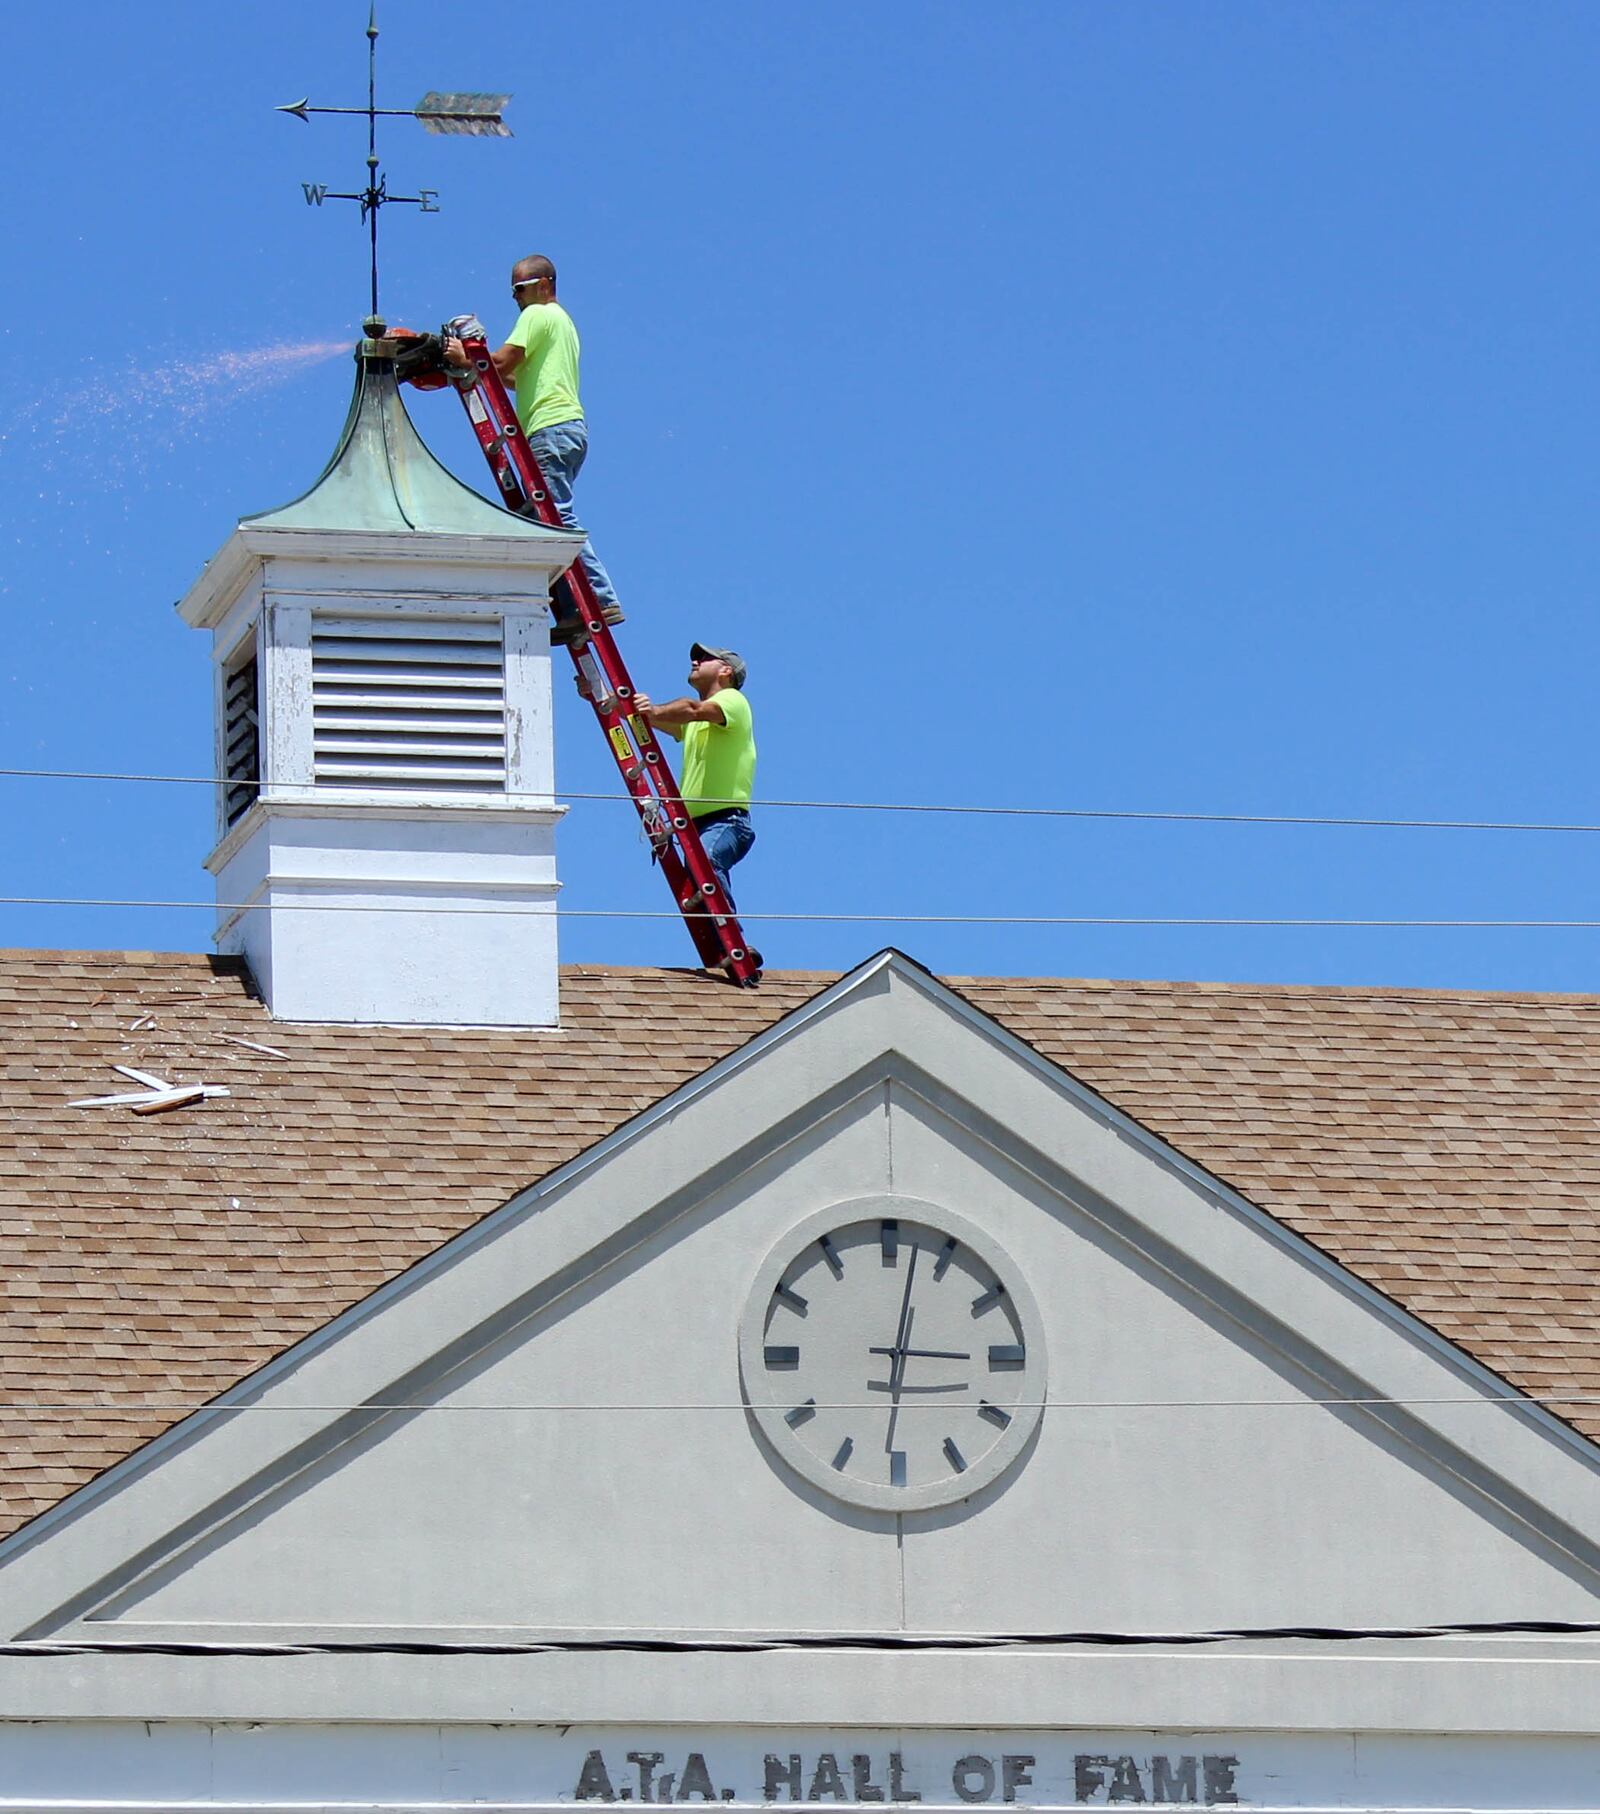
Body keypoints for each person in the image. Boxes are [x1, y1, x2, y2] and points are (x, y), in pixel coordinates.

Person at [460, 254, 622, 636]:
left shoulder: (537, 315)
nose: (514, 297)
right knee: (543, 520)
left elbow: (498, 364)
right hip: (565, 430)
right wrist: (478, 365)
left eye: (520, 289)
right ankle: (572, 610)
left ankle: (599, 598)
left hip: (550, 429)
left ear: (544, 284)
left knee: (556, 518)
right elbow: (516, 379)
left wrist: (463, 356)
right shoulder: (562, 323)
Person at [636, 643, 759, 968]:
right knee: (700, 871)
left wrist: (654, 711)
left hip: (727, 820)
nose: (695, 660)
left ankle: (736, 944)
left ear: (725, 670)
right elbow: (666, 724)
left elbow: (687, 710)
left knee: (705, 861)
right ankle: (723, 949)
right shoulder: (698, 722)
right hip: (693, 825)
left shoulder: (732, 701)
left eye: (704, 658)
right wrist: (614, 704)